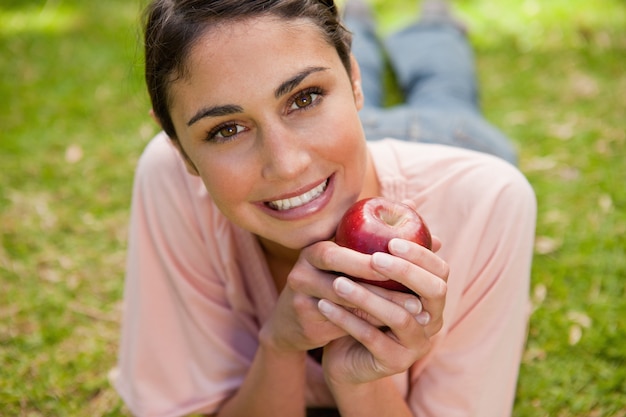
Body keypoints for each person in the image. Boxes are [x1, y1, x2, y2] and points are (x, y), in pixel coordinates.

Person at [111, 0, 536, 416]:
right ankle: (358, 24)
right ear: (180, 150)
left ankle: (431, 22)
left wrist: (360, 383)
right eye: (227, 129)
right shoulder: (171, 176)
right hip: (342, 154)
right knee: (314, 60)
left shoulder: (487, 201)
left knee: (444, 89)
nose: (286, 164)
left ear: (353, 82)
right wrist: (281, 345)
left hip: (448, 137)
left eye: (305, 97)